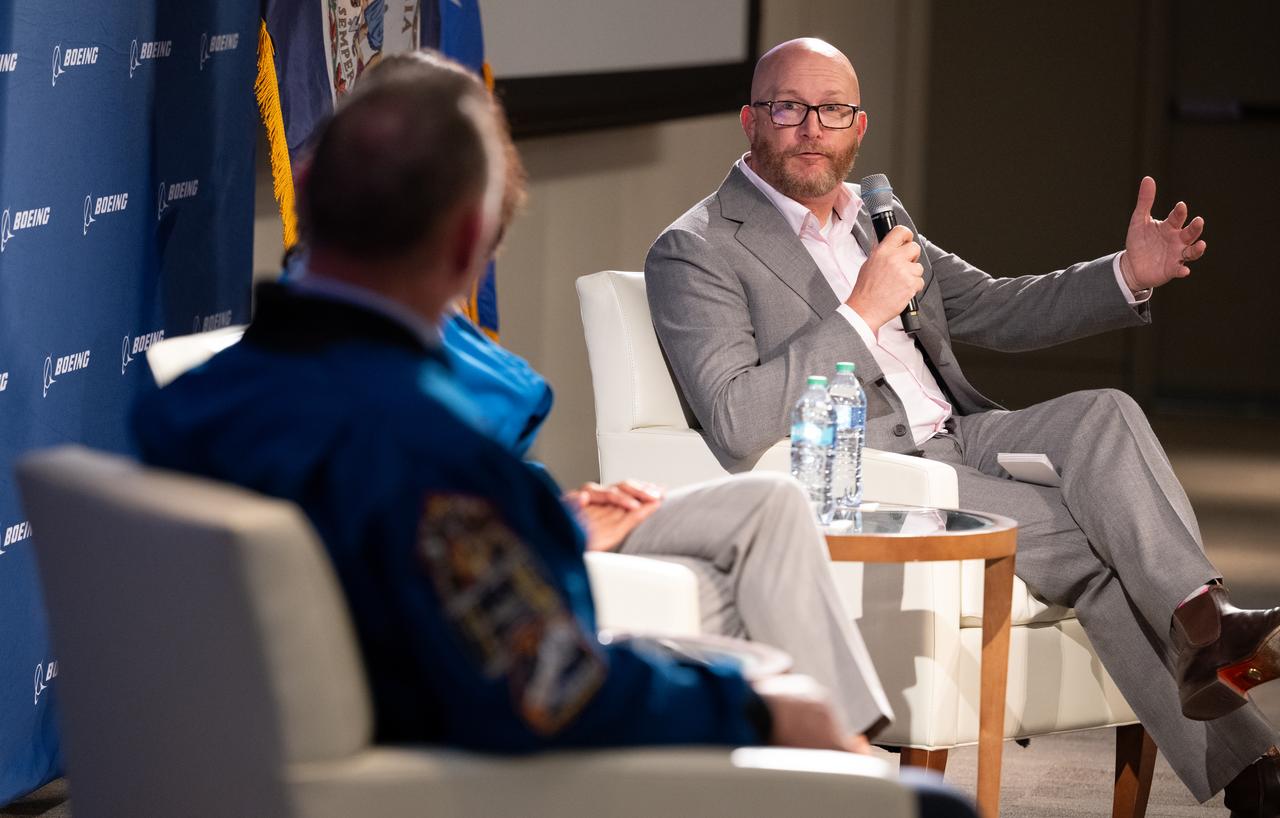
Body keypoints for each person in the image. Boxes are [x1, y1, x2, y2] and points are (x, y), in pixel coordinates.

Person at [132, 49, 978, 817]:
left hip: (315, 740)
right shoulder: (435, 453)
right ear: (473, 239)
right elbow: (550, 691)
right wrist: (760, 706)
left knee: (736, 606)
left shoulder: (181, 409)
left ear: (308, 193)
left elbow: (386, 562)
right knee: (898, 788)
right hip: (450, 769)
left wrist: (536, 527)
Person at [645, 37, 1280, 814]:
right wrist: (858, 314)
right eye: (789, 108)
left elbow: (993, 306)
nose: (812, 127)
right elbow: (736, 416)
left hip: (961, 434)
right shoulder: (697, 248)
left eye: (833, 110)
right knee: (1106, 541)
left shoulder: (874, 214)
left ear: (858, 125)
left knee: (1106, 413)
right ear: (750, 120)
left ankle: (1203, 627)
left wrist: (1125, 274)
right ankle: (1247, 745)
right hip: (880, 468)